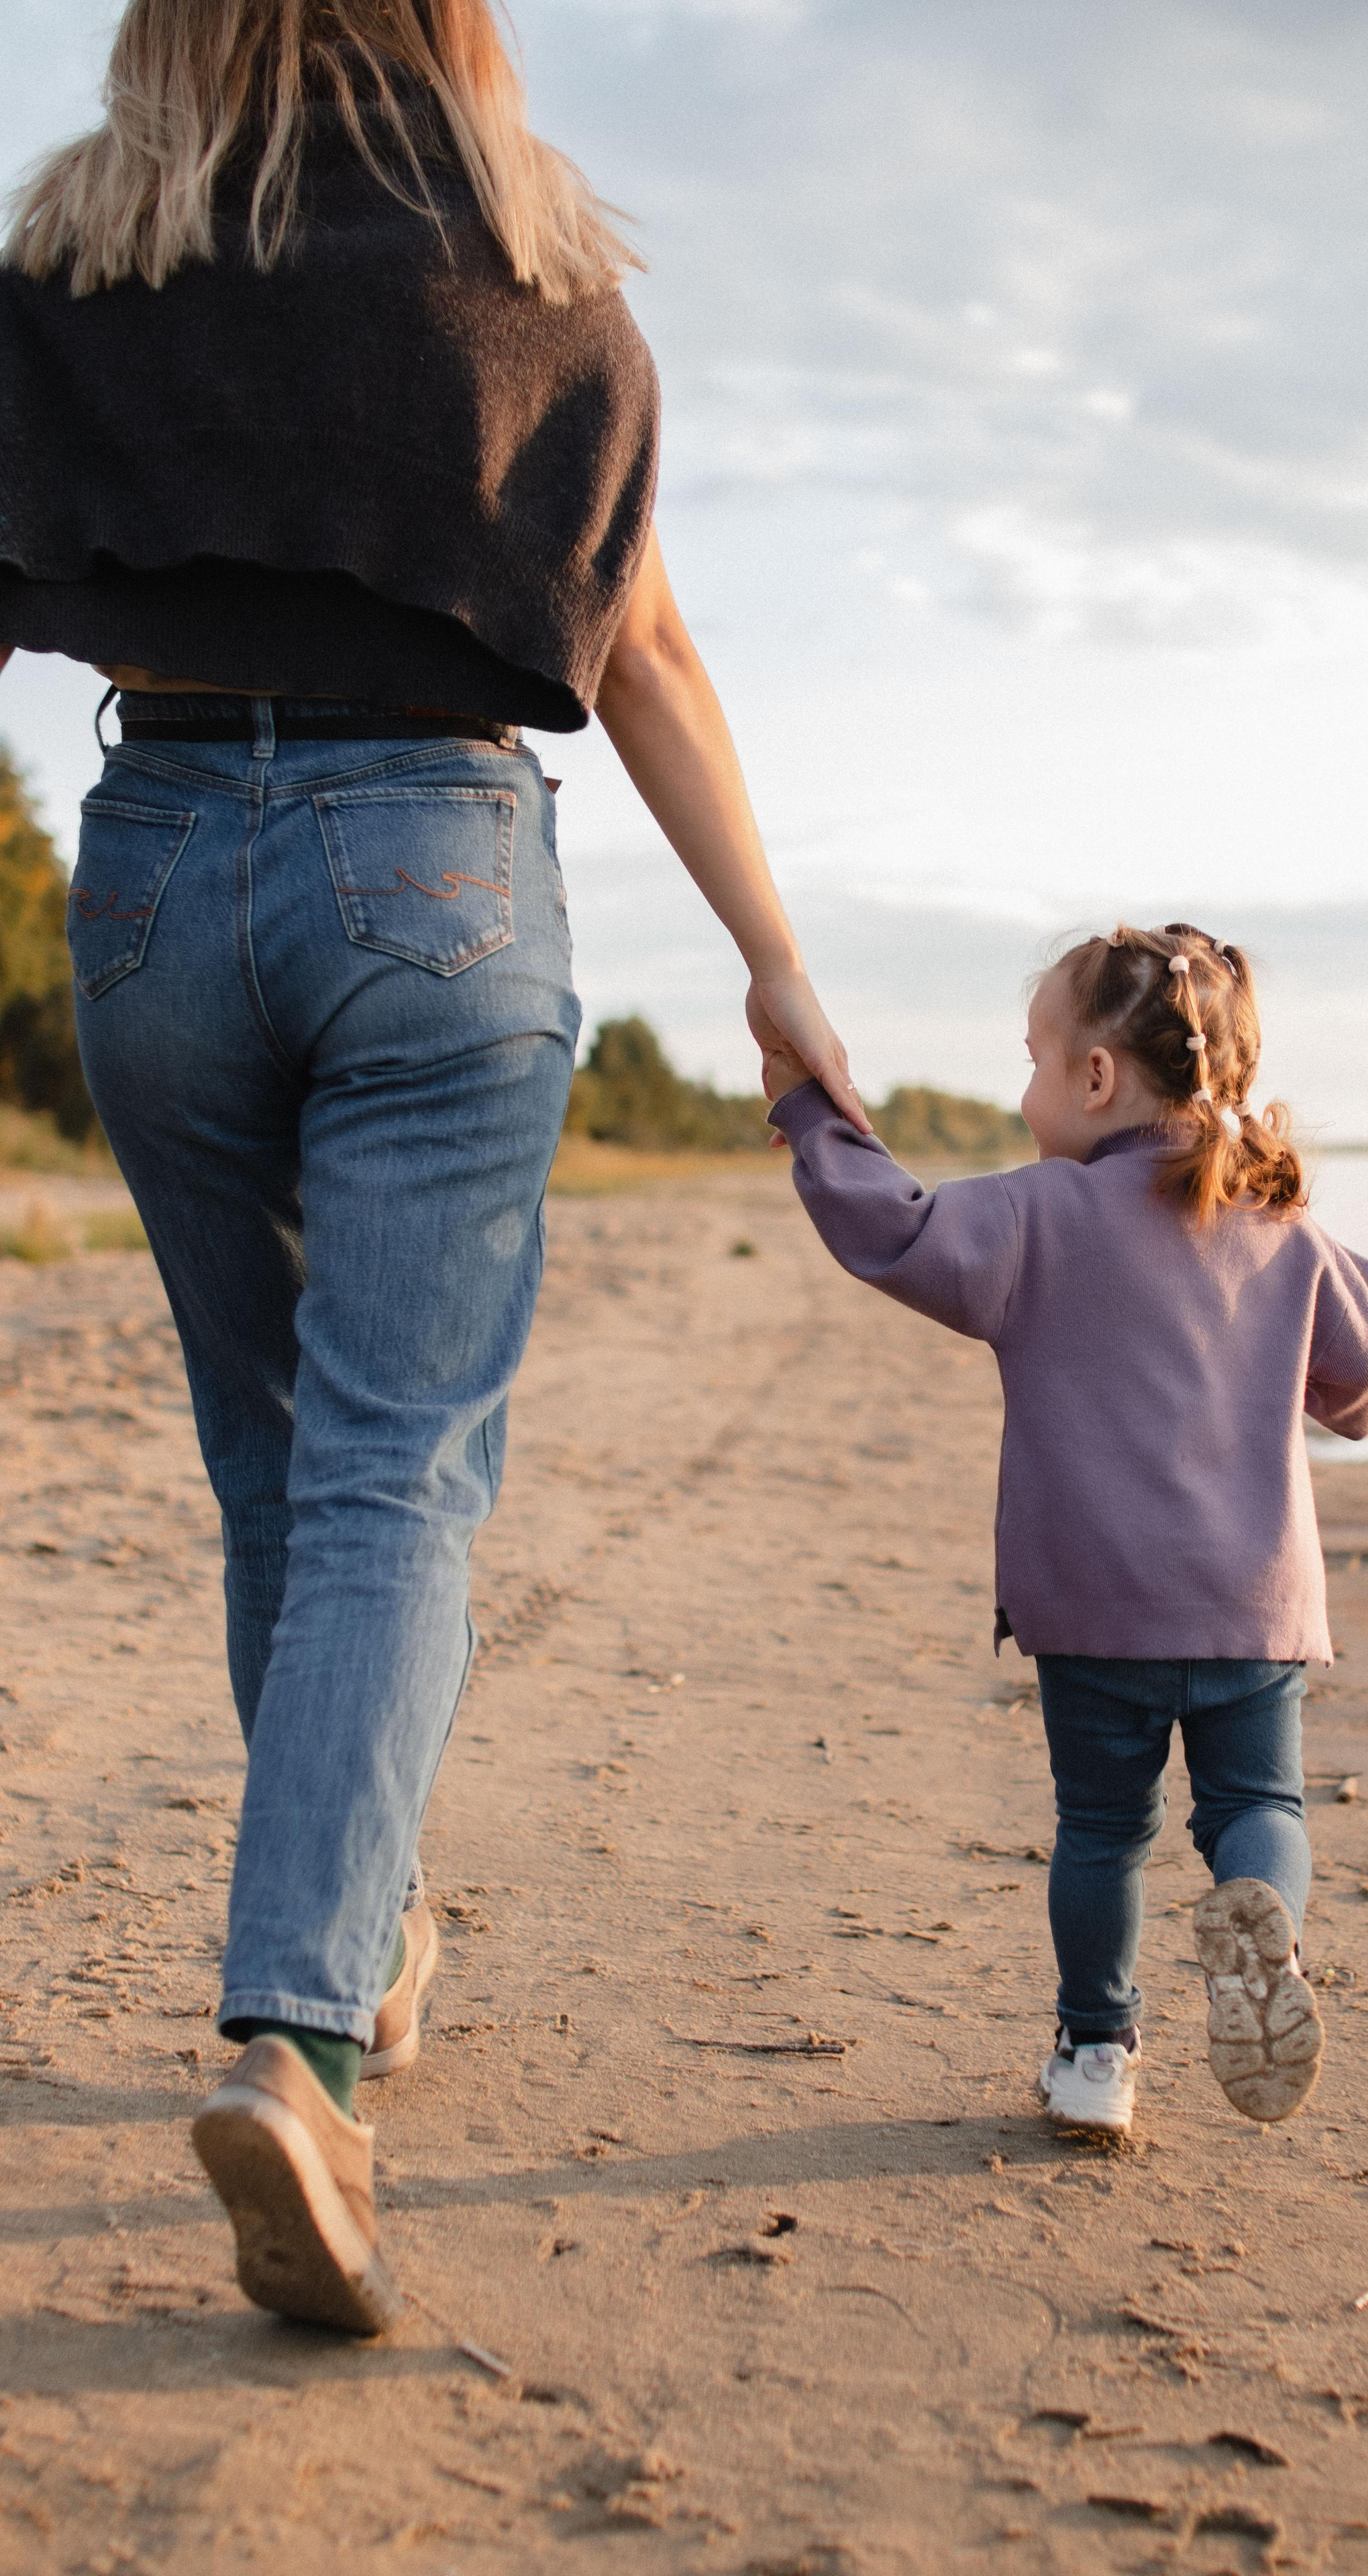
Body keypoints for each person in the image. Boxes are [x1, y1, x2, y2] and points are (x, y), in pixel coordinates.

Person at [0, 0, 864, 2337]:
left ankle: (360, 1957)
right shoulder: (537, 274)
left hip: (160, 869)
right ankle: (299, 2041)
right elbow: (651, 643)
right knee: (396, 1473)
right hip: (442, 864)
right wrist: (774, 965)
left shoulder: (78, 259)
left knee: (280, 1459)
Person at [762, 922, 1368, 2138]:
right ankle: (1256, 1914)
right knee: (1257, 1810)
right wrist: (1305, 1250)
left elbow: (895, 1227)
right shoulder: (1278, 1229)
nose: (1024, 1092)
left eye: (1032, 1061)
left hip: (1097, 1608)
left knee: (1103, 1832)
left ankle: (1096, 2054)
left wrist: (810, 1113)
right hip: (1251, 1606)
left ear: (1098, 1078)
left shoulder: (1036, 1219)